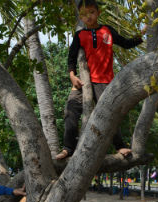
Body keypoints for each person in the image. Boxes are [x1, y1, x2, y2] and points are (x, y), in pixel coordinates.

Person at [56, 0, 146, 160]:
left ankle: (119, 146)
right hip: (84, 82)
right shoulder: (80, 35)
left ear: (98, 13)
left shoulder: (107, 30)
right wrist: (72, 75)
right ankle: (68, 148)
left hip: (104, 82)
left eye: (91, 12)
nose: (88, 16)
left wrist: (142, 34)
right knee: (70, 111)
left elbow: (126, 44)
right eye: (84, 14)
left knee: (109, 114)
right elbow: (71, 57)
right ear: (81, 17)